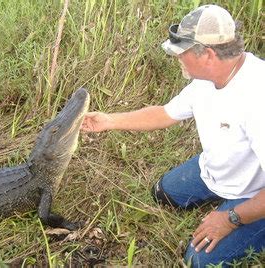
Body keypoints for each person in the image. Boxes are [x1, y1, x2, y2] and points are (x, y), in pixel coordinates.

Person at [80, 4, 265, 267]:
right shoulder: (205, 80)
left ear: (208, 55)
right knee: (162, 193)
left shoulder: (258, 97)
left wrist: (229, 219)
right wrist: (109, 121)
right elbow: (165, 114)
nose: (177, 57)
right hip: (217, 172)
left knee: (198, 261)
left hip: (259, 192)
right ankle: (224, 191)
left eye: (182, 52)